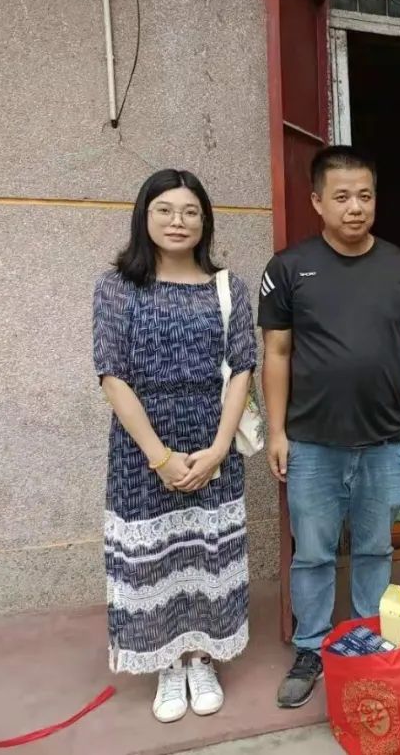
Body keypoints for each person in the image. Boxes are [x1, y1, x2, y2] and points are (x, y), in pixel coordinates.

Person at [260, 147, 400, 708]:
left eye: (365, 196)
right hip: (312, 442)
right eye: (341, 197)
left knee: (375, 549)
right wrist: (278, 432)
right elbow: (276, 353)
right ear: (317, 202)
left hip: (383, 440)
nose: (355, 207)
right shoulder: (288, 268)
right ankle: (310, 646)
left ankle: (365, 636)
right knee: (312, 552)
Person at [94, 170, 256, 723]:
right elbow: (112, 375)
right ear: (145, 216)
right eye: (164, 210)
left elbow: (242, 369)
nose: (178, 222)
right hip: (142, 448)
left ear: (205, 221)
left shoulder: (228, 287)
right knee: (155, 561)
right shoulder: (117, 287)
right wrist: (160, 458)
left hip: (213, 441)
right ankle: (167, 662)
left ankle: (202, 657)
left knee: (206, 554)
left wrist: (217, 449)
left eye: (190, 211)